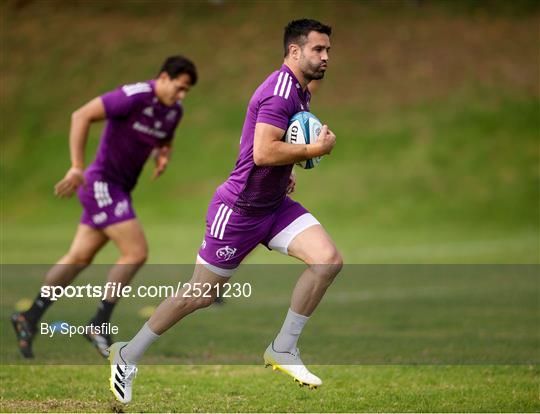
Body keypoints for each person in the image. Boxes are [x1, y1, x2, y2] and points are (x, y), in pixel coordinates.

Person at [108, 19, 341, 404]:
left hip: (273, 205)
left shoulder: (299, 91)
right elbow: (264, 151)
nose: (326, 57)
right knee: (198, 295)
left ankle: (283, 348)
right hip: (238, 211)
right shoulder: (281, 92)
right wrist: (312, 151)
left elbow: (261, 148)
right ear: (295, 52)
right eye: (319, 49)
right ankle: (127, 354)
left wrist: (285, 172)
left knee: (328, 261)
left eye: (328, 50)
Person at [11, 56, 198, 359]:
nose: (181, 96)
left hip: (120, 189)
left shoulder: (174, 111)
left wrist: (163, 155)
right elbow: (80, 115)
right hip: (102, 183)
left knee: (79, 257)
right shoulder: (133, 96)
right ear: (163, 77)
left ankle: (29, 316)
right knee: (136, 252)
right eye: (179, 88)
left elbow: (165, 139)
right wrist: (76, 167)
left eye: (186, 91)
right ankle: (99, 322)